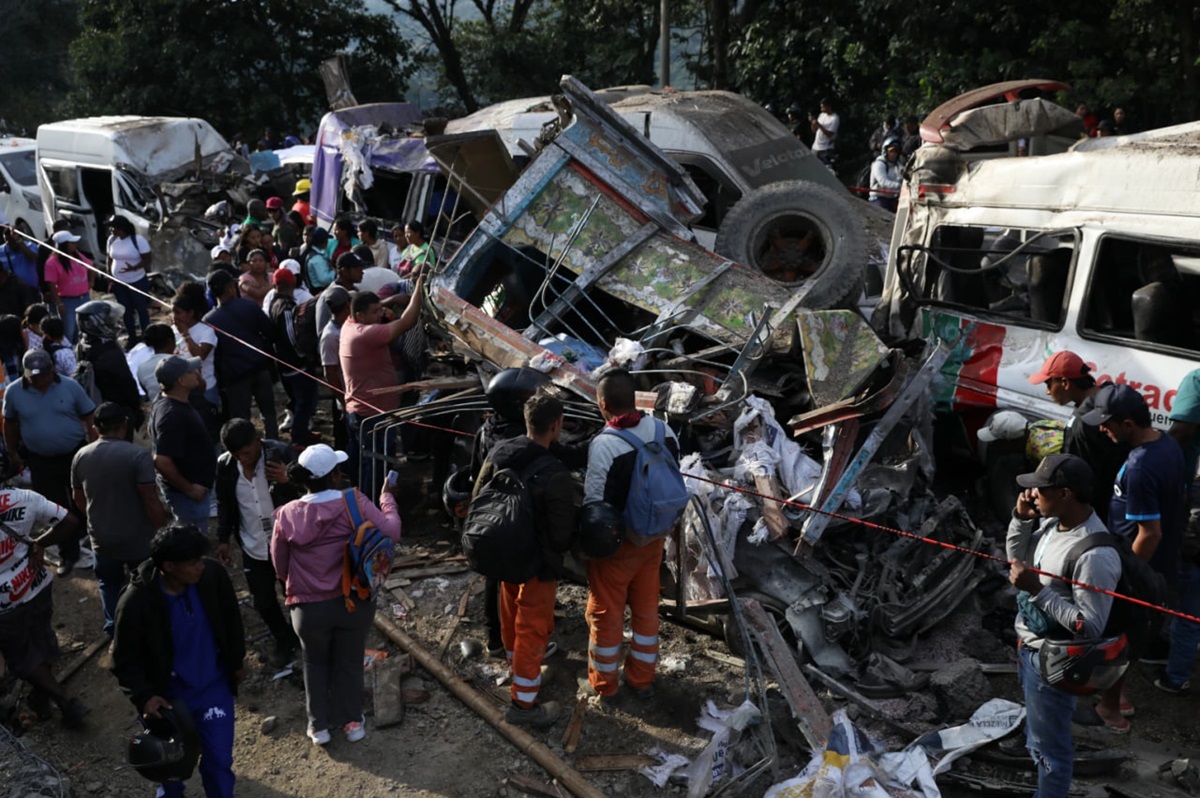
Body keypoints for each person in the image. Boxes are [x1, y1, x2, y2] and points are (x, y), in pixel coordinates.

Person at [1006, 453, 1120, 798]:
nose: (1032, 494)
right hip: (1030, 649)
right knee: (1042, 739)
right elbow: (1016, 562)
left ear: (1065, 494)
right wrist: (1020, 520)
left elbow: (1090, 626)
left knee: (1052, 755)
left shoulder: (1095, 556)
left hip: (1051, 664)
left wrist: (1037, 591)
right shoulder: (1052, 525)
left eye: (1040, 489)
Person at [272, 444, 401, 745]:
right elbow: (392, 532)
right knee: (350, 660)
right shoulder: (353, 502)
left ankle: (318, 727)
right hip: (353, 601)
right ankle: (353, 723)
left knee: (314, 662)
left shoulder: (286, 514)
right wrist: (387, 498)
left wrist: (297, 585)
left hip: (308, 609)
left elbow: (279, 565)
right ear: (334, 476)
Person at [112, 523, 245, 798]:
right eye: (193, 562)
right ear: (169, 566)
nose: (201, 567)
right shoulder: (136, 601)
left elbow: (232, 621)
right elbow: (124, 658)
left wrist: (236, 661)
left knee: (219, 762)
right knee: (170, 769)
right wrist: (144, 697)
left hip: (213, 690)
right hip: (167, 700)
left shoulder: (212, 577)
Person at [1084, 383, 1187, 723]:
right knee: (1130, 632)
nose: (1102, 430)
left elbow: (1150, 533)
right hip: (1157, 563)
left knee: (1119, 633)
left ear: (1127, 424)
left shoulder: (1141, 466)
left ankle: (1113, 707)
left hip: (1138, 565)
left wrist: (1124, 575)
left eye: (1107, 424)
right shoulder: (1167, 444)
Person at [474, 391, 579, 727]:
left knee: (510, 616)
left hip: (505, 554)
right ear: (557, 425)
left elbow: (478, 496)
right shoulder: (555, 474)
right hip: (537, 563)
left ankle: (518, 671)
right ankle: (523, 704)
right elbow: (561, 535)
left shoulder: (500, 452)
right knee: (533, 629)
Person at [582, 369, 679, 702]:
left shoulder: (606, 444)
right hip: (653, 538)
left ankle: (604, 686)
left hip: (619, 546)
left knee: (606, 615)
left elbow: (595, 505)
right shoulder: (664, 430)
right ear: (635, 399)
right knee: (646, 609)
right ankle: (642, 680)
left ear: (603, 404)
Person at [0, 469, 88, 726]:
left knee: (21, 657)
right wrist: (40, 543)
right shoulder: (24, 497)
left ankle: (65, 700)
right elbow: (69, 521)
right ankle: (41, 700)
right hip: (35, 582)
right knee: (41, 638)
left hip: (5, 603)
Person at [71, 402, 167, 637]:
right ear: (125, 425)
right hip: (138, 537)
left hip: (101, 538)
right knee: (145, 583)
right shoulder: (138, 455)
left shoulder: (81, 456)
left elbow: (78, 498)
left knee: (109, 583)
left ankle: (115, 629)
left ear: (95, 428)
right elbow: (150, 500)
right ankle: (149, 627)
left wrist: (96, 518)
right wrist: (162, 530)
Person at [214, 419, 301, 666]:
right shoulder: (226, 466)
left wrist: (287, 480)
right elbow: (224, 503)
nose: (243, 459)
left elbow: (307, 496)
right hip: (253, 546)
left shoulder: (280, 455)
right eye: (236, 455)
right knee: (263, 602)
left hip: (287, 544)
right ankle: (284, 639)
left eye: (247, 452)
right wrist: (223, 538)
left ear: (257, 440)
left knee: (296, 595)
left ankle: (303, 635)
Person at [3, 349, 96, 575]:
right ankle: (68, 553)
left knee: (82, 500)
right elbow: (10, 423)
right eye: (33, 376)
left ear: (51, 370)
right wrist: (13, 452)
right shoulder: (14, 392)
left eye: (42, 375)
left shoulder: (70, 386)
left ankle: (85, 534)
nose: (38, 381)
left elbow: (89, 415)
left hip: (74, 454)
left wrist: (95, 447)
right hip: (40, 460)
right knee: (56, 509)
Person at [340, 282, 424, 492]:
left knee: (365, 463)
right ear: (360, 315)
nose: (380, 314)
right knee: (377, 466)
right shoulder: (365, 333)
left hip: (361, 410)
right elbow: (408, 321)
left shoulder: (350, 325)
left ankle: (362, 501)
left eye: (380, 310)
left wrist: (385, 311)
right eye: (375, 312)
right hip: (373, 414)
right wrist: (419, 287)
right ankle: (374, 505)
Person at [1029, 351, 1129, 522]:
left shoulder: (1082, 423)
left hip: (1100, 512)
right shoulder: (1111, 395)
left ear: (1065, 383)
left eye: (1048, 384)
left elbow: (1081, 478)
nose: (1047, 392)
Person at [1159, 368, 1200, 694]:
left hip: (1195, 509)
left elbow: (1182, 431)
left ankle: (1176, 677)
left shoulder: (1197, 379)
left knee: (1189, 600)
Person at [203, 270, 279, 439]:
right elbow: (270, 332)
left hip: (234, 377)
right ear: (230, 288)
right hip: (260, 368)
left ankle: (245, 446)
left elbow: (214, 354)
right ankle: (273, 445)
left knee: (241, 419)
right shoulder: (249, 306)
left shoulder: (209, 320)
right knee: (269, 413)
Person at [151, 356, 217, 529]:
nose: (196, 373)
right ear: (180, 380)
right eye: (191, 371)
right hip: (188, 498)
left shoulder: (170, 402)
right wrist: (189, 489)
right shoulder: (171, 415)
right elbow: (161, 461)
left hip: (192, 493)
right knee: (192, 540)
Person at [268, 269, 317, 446]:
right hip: (295, 364)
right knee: (304, 402)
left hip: (283, 362)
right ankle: (298, 439)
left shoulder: (273, 303)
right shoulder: (286, 307)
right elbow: (291, 336)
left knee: (298, 401)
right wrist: (303, 354)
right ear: (293, 283)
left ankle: (302, 433)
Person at [76, 300, 144, 426]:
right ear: (93, 324)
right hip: (118, 411)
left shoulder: (82, 345)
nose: (114, 324)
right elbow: (127, 383)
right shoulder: (110, 352)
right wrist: (136, 407)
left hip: (98, 408)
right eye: (108, 321)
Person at [105, 215, 152, 346]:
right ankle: (132, 337)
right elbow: (109, 258)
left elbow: (148, 259)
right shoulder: (111, 240)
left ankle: (147, 336)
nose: (111, 230)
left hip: (137, 281)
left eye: (114, 228)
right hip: (119, 282)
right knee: (125, 311)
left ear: (122, 228)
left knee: (141, 309)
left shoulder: (138, 240)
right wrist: (109, 275)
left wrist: (134, 268)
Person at [318, 286, 352, 452]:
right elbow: (330, 373)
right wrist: (343, 400)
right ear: (347, 305)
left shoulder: (346, 326)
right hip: (347, 398)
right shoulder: (331, 336)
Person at [43, 230, 92, 343]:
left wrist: (91, 282)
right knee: (69, 331)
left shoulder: (77, 255)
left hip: (84, 298)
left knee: (84, 329)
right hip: (68, 302)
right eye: (72, 243)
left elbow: (91, 267)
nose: (75, 245)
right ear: (64, 245)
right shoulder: (52, 262)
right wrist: (59, 304)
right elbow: (52, 285)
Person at [172, 292, 219, 410]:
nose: (174, 317)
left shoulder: (206, 331)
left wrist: (186, 335)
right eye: (173, 312)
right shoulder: (173, 330)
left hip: (206, 389)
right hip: (183, 391)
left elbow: (200, 356)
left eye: (178, 312)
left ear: (191, 313)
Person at [316, 251, 365, 334]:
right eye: (357, 268)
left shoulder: (356, 290)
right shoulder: (329, 296)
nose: (362, 272)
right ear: (344, 271)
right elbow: (322, 331)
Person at [0, 223, 40, 288]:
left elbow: (33, 258)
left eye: (11, 240)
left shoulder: (30, 246)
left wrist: (19, 242)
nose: (8, 243)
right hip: (11, 290)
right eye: (6, 240)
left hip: (31, 289)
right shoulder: (1, 251)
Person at [868, 139, 903, 212]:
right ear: (885, 151)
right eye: (891, 151)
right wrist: (900, 186)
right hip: (878, 198)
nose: (893, 154)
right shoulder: (878, 164)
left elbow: (904, 178)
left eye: (896, 152)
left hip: (893, 198)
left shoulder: (898, 166)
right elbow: (883, 182)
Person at [809, 98, 840, 168]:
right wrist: (813, 123)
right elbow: (814, 131)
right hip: (816, 147)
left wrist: (819, 125)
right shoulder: (822, 115)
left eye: (823, 107)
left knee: (826, 168)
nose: (822, 109)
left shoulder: (834, 118)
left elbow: (830, 134)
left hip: (826, 148)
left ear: (829, 106)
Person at [302, 227, 334, 292]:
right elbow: (324, 279)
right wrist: (335, 272)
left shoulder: (317, 253)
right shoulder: (316, 258)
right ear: (324, 241)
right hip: (319, 291)